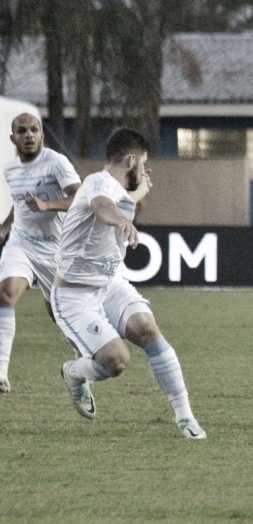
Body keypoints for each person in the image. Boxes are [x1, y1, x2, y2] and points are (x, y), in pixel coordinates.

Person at [52, 127, 206, 440]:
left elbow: (121, 201)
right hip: (75, 296)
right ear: (131, 160)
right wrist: (123, 219)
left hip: (110, 284)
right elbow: (101, 205)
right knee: (116, 361)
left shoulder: (121, 191)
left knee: (149, 329)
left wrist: (135, 194)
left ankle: (185, 417)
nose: (145, 170)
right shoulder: (98, 182)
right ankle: (74, 372)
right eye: (143, 164)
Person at [0, 113, 81, 393]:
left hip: (55, 249)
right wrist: (6, 226)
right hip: (21, 243)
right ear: (14, 138)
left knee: (59, 314)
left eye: (34, 130)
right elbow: (20, 202)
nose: (29, 135)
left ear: (42, 136)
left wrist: (48, 206)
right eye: (22, 131)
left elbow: (80, 198)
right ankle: (1, 371)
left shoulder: (56, 162)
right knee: (6, 293)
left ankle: (81, 363)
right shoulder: (10, 169)